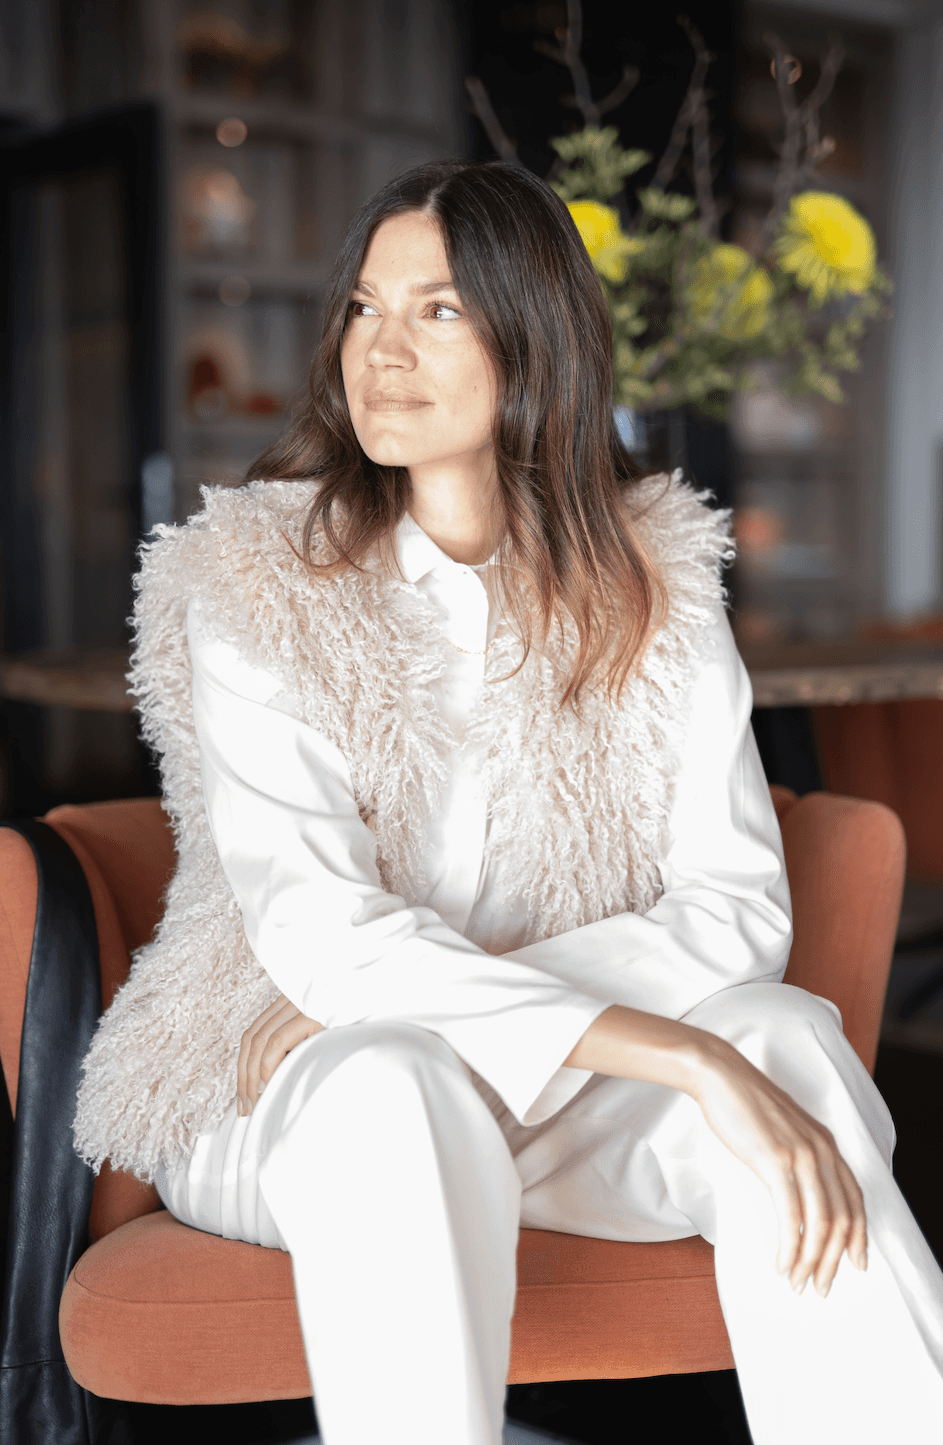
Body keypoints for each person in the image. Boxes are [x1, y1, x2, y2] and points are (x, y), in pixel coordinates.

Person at [75, 160, 943, 1445]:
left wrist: (484, 1002)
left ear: (531, 336)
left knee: (786, 1041)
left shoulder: (652, 580)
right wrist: (677, 1049)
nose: (381, 350)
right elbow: (322, 936)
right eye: (364, 308)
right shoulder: (258, 579)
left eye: (435, 309)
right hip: (288, 1086)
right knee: (395, 1074)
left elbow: (735, 910)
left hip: (560, 1099)